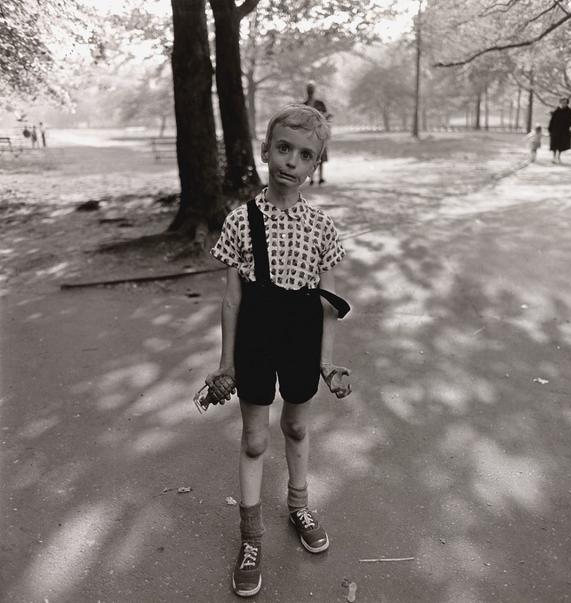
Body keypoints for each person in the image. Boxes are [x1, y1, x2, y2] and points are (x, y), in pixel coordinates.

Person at [208, 103, 352, 598]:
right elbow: (231, 300)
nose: (291, 161)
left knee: (295, 426)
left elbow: (329, 305)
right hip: (254, 339)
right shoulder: (240, 221)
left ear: (316, 165)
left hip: (300, 339)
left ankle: (299, 505)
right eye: (284, 148)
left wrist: (327, 362)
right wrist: (225, 363)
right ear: (266, 150)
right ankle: (250, 539)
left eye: (305, 154)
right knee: (254, 439)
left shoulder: (323, 230)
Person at [303, 81, 331, 185]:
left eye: (311, 89)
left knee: (320, 156)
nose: (310, 91)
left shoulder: (320, 104)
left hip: (320, 133)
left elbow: (326, 116)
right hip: (309, 134)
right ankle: (311, 178)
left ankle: (320, 177)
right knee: (311, 156)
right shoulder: (304, 105)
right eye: (309, 89)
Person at [548, 98, 571, 163]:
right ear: (560, 103)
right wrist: (550, 128)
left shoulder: (570, 111)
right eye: (562, 102)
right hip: (555, 130)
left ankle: (558, 157)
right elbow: (552, 120)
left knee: (561, 144)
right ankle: (554, 157)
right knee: (554, 144)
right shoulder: (556, 111)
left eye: (565, 103)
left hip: (564, 131)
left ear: (567, 103)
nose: (563, 104)